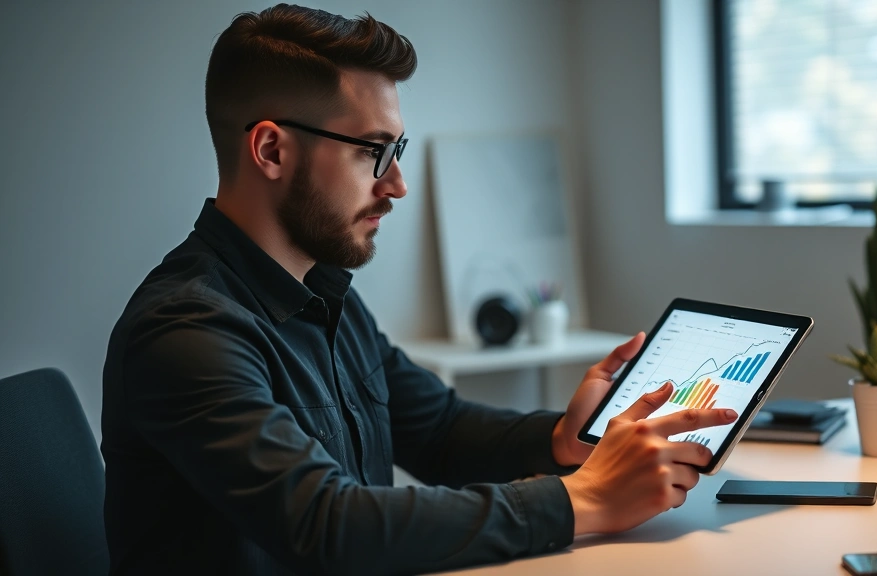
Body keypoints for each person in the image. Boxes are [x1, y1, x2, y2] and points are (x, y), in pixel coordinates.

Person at [100, 5, 738, 575]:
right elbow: (328, 524)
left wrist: (563, 441)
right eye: (372, 151)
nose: (397, 183)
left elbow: (437, 429)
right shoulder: (186, 330)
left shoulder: (324, 295)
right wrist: (585, 497)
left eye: (395, 148)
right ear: (271, 149)